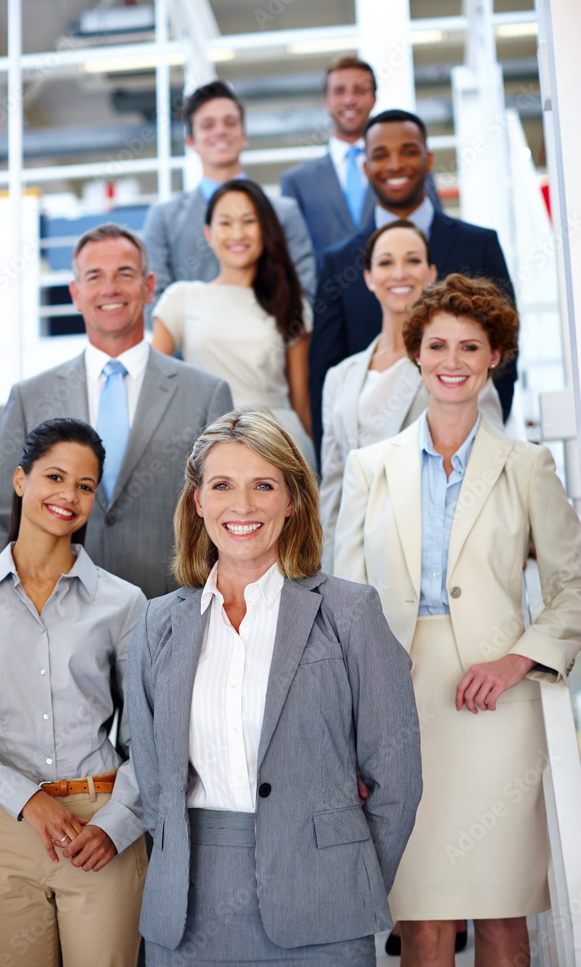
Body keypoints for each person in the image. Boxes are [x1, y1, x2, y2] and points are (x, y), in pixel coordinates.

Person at [334, 276, 581, 967]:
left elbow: (572, 585)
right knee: (421, 920)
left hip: (498, 702)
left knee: (503, 913)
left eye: (469, 346)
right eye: (436, 344)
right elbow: (344, 603)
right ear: (415, 354)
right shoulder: (368, 468)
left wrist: (517, 659)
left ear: (494, 356)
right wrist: (351, 722)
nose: (452, 359)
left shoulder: (529, 465)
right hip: (397, 702)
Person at [127, 407, 422, 966]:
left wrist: (346, 881)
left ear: (292, 499)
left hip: (324, 904)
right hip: (187, 911)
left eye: (263, 485)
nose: (242, 506)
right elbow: (154, 781)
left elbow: (398, 780)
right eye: (222, 486)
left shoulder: (350, 614)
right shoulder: (157, 623)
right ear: (198, 502)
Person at [0, 418, 148, 967]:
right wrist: (27, 799)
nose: (68, 495)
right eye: (55, 476)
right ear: (20, 481)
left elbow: (152, 737)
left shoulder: (124, 603)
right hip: (5, 827)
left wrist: (118, 824)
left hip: (102, 824)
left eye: (85, 486)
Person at [0, 223, 232, 599]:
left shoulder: (206, 393)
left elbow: (226, 513)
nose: (110, 288)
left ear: (149, 287)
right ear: (76, 293)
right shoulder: (30, 397)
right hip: (53, 624)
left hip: (172, 617)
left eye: (125, 274)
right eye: (95, 276)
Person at [309, 109, 517, 456]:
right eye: (380, 154)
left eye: (408, 150)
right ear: (365, 168)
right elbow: (323, 371)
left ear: (428, 159)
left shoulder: (478, 245)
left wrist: (479, 448)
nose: (395, 164)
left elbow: (505, 354)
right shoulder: (338, 261)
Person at [319, 220, 503, 571]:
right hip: (358, 554)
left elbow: (488, 463)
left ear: (432, 273)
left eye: (413, 260)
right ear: (370, 278)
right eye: (386, 262)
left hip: (435, 554)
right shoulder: (340, 377)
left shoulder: (455, 366)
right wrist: (328, 572)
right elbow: (333, 484)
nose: (399, 273)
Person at [151, 179, 314, 466]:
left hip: (281, 444)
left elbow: (300, 400)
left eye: (249, 221)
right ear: (209, 234)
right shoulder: (181, 298)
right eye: (225, 223)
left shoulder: (292, 303)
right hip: (212, 445)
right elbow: (153, 390)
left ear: (265, 229)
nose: (237, 233)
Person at [142, 80, 315, 305]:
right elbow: (152, 301)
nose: (221, 131)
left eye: (230, 122)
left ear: (244, 136)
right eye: (208, 125)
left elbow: (304, 293)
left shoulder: (284, 213)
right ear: (191, 142)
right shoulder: (163, 218)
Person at [281, 56, 441, 265]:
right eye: (339, 91)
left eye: (359, 90)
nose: (349, 100)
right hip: (328, 294)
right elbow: (293, 256)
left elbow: (437, 234)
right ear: (326, 100)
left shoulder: (409, 169)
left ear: (374, 99)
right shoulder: (297, 181)